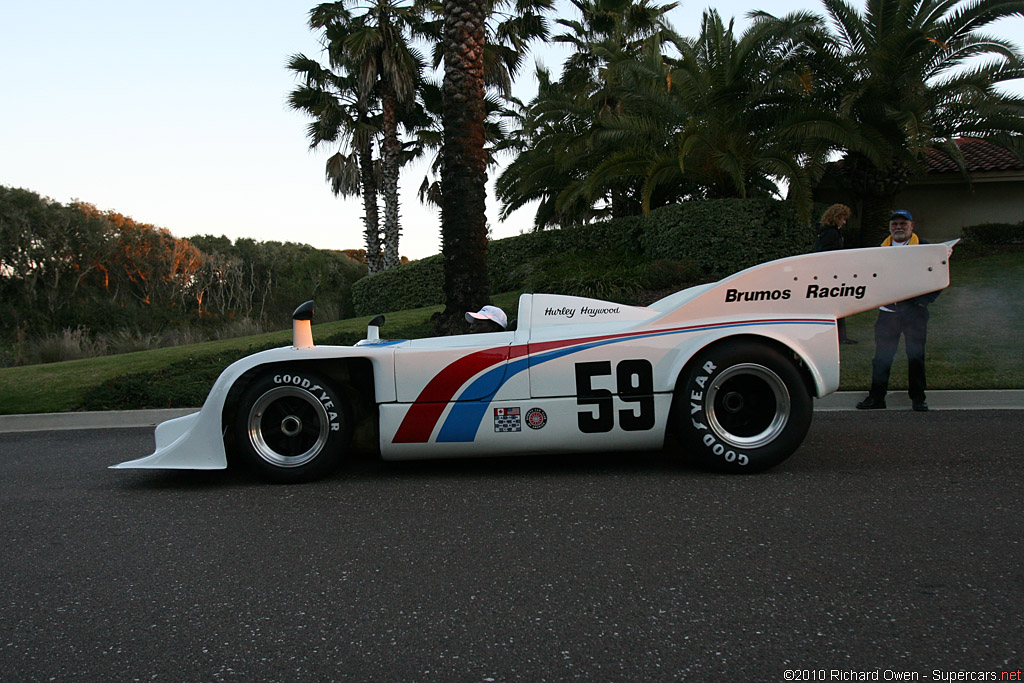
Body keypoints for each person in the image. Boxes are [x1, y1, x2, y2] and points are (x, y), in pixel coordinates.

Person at [856, 210, 941, 412]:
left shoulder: (925, 248)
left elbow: (939, 274)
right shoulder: (879, 249)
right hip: (888, 313)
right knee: (882, 357)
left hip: (914, 313)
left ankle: (918, 398)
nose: (899, 228)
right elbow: (869, 275)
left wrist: (924, 301)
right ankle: (876, 398)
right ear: (890, 227)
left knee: (916, 357)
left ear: (912, 225)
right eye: (895, 224)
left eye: (903, 223)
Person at [813, 203, 857, 344]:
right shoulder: (831, 233)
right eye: (843, 219)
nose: (844, 222)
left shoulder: (826, 231)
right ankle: (839, 337)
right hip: (830, 275)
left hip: (827, 274)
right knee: (835, 306)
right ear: (836, 217)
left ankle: (838, 336)